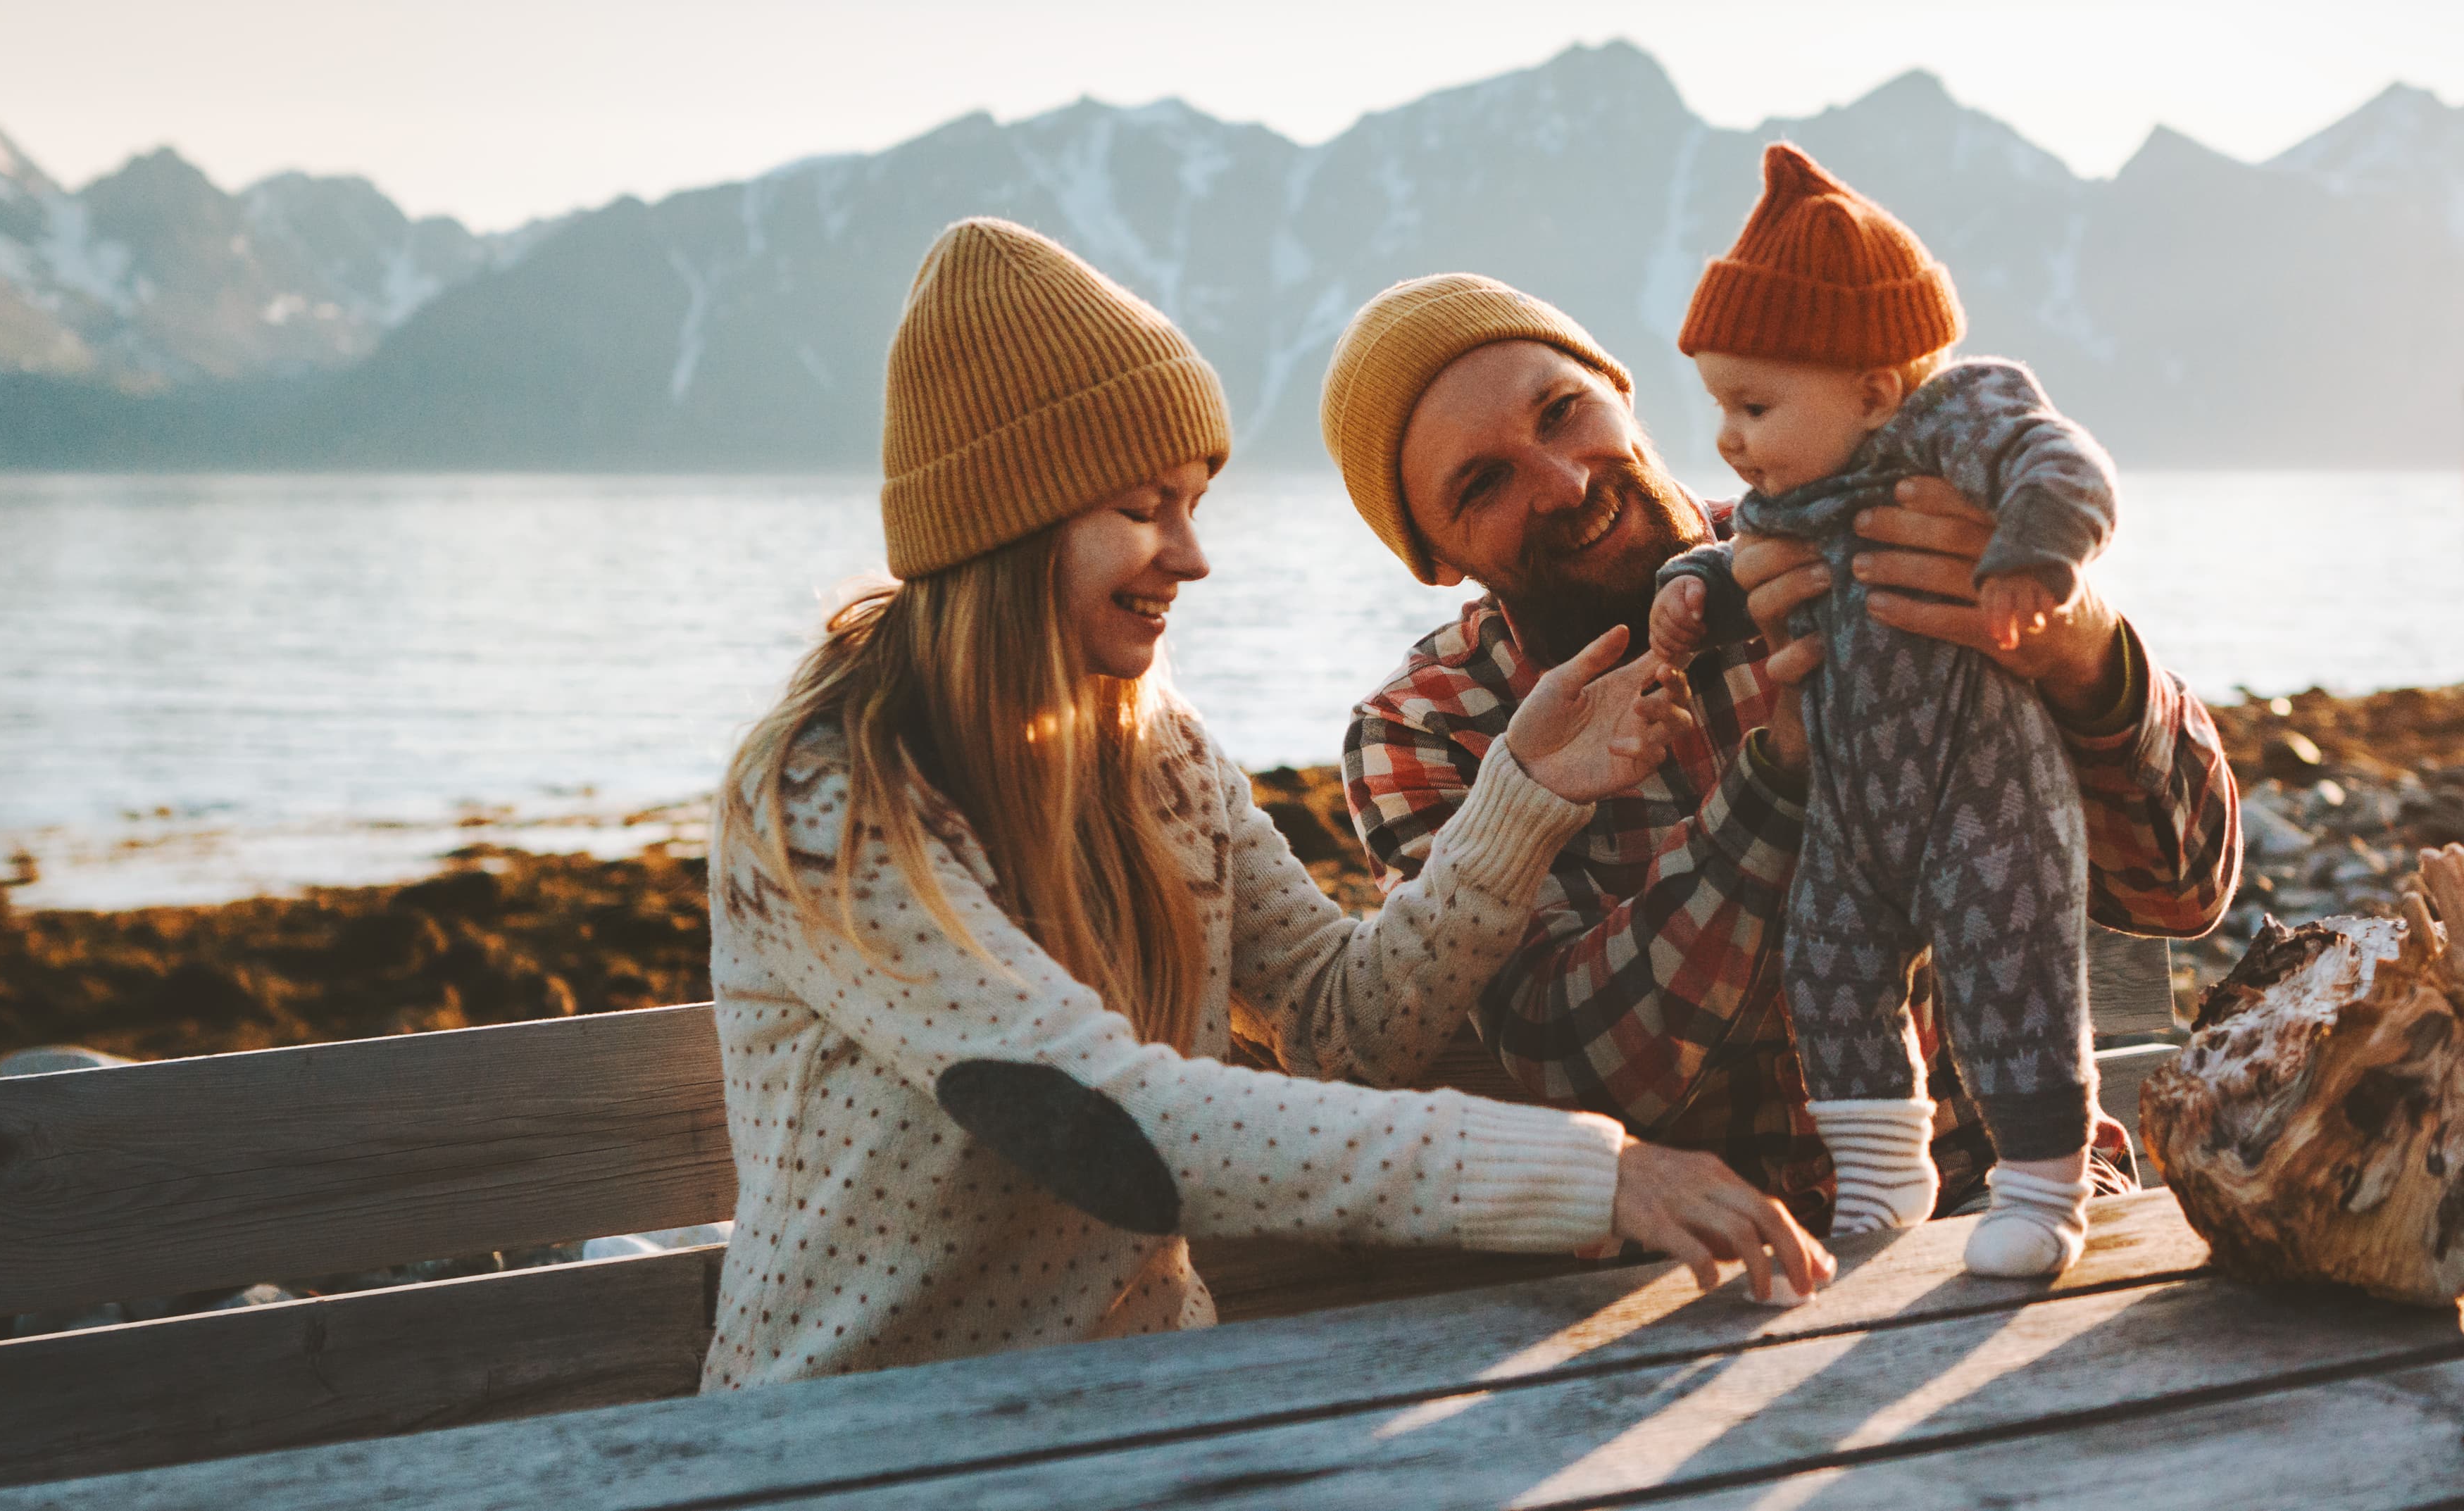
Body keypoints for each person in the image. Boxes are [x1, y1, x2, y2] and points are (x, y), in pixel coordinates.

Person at [703, 216, 1828, 1391]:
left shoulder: (1157, 751)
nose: (1191, 558)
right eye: (1146, 507)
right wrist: (1597, 1171)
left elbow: (1346, 1023)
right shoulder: (826, 793)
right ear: (1013, 519)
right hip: (853, 1437)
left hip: (1151, 1405)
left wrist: (1523, 794)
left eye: (1193, 502)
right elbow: (1097, 1111)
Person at [1318, 245, 2238, 1236]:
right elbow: (1577, 1061)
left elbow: (2183, 885)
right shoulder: (1428, 725)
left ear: (1621, 391)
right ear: (1433, 557)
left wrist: (2079, 647)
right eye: (1484, 483)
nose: (1562, 480)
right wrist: (1780, 783)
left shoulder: (1886, 534)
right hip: (1695, 1276)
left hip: (2006, 1207)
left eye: (1561, 411)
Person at [1649, 143, 2120, 1277]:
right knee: (1829, 967)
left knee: (2012, 971)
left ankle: (2046, 1190)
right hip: (1853, 819)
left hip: (1981, 792)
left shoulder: (1952, 423)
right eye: (1719, 406)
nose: (1727, 437)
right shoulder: (1791, 498)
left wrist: (2034, 562)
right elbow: (1735, 559)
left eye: (1753, 404)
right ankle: (1881, 1171)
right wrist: (1687, 591)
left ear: (1871, 388)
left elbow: (2064, 465)